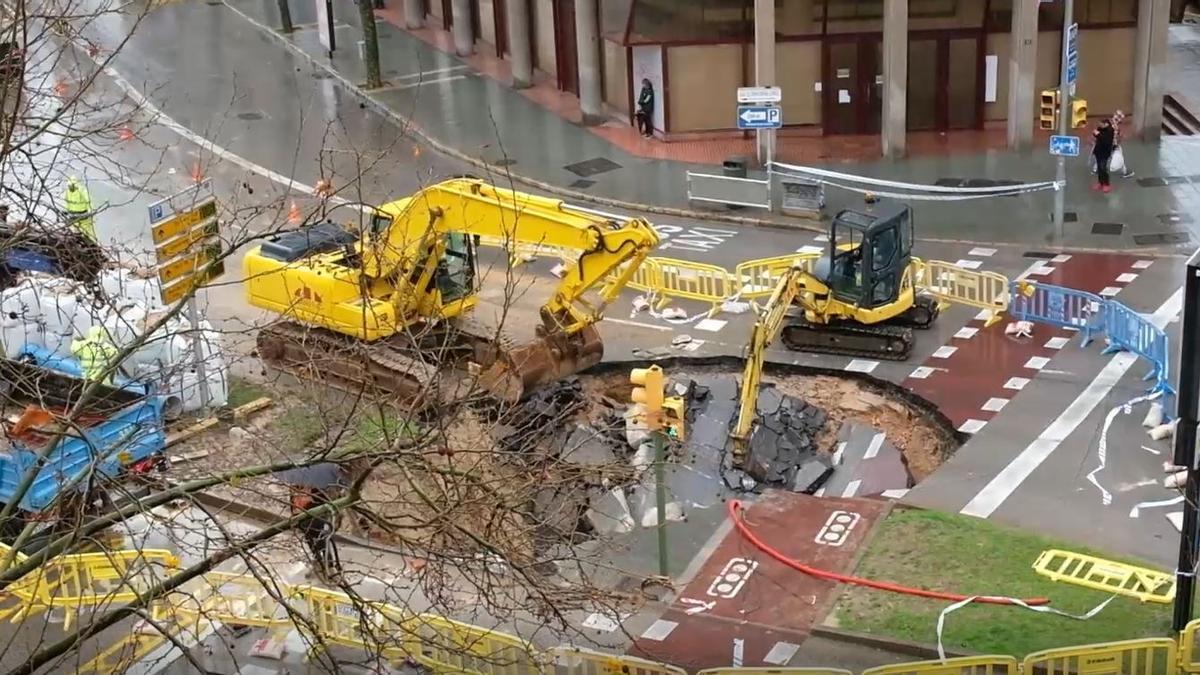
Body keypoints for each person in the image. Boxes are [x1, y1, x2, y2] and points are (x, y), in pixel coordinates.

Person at [291, 486, 342, 579]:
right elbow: (293, 507)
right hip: (304, 524)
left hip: (317, 521)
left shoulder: (316, 491)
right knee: (311, 544)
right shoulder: (294, 491)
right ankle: (318, 562)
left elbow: (324, 503)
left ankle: (330, 567)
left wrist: (311, 501)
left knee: (322, 543)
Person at [62, 176, 95, 242]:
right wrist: (65, 211)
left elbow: (88, 201)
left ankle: (92, 246)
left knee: (88, 233)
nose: (69, 187)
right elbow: (66, 202)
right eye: (68, 186)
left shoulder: (82, 190)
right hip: (72, 215)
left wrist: (90, 210)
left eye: (70, 185)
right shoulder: (67, 191)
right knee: (71, 231)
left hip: (83, 215)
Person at [1092, 118, 1115, 193]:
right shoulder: (1100, 129)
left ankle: (1106, 184)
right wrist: (1095, 134)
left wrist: (1098, 134)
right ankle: (1100, 182)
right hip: (1098, 151)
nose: (1100, 125)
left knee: (1103, 168)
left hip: (1104, 153)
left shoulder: (1110, 131)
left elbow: (1106, 141)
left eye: (1101, 124)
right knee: (1099, 168)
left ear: (1106, 124)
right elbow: (1098, 137)